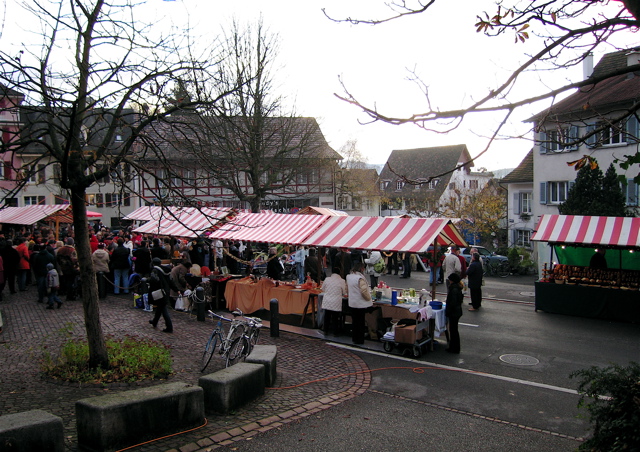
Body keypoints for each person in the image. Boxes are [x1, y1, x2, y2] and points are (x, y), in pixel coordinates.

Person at [346, 261, 373, 345]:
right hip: (360, 303)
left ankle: (354, 338)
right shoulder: (360, 278)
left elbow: (347, 288)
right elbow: (364, 291)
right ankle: (360, 340)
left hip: (352, 302)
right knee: (361, 322)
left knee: (355, 321)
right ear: (361, 269)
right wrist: (369, 299)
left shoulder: (349, 277)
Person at [148, 258, 177, 333]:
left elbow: (154, 280)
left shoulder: (155, 270)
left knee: (163, 309)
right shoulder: (166, 270)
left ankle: (169, 327)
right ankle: (154, 321)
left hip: (159, 291)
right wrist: (176, 289)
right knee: (160, 307)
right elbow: (171, 281)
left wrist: (147, 280)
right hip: (166, 291)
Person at [321, 266, 347, 335]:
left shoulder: (327, 279)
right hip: (336, 301)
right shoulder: (342, 281)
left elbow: (323, 288)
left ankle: (325, 330)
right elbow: (344, 292)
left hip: (327, 300)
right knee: (335, 317)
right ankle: (335, 332)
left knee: (327, 316)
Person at [445, 273, 464, 354]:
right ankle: (454, 347)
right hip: (457, 311)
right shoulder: (457, 288)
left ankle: (454, 348)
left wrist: (448, 311)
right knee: (454, 330)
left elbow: (452, 302)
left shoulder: (453, 289)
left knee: (453, 330)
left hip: (454, 312)